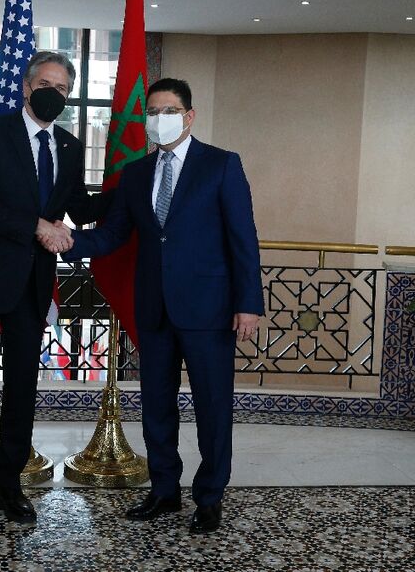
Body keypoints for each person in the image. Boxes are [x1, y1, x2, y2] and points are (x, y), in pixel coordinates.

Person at [59, 78, 264, 534]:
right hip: (153, 308)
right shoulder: (136, 174)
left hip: (210, 309)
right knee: (156, 405)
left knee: (213, 406)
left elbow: (243, 239)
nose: (157, 119)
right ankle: (164, 490)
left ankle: (209, 496)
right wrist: (68, 241)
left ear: (189, 116)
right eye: (151, 111)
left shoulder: (222, 165)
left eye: (167, 110)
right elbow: (113, 234)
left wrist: (248, 303)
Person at [0, 51, 112, 530]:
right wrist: (36, 225)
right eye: (48, 84)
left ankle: (8, 485)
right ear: (28, 87)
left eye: (65, 89)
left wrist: (136, 180)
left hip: (32, 287)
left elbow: (80, 209)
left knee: (21, 393)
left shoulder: (70, 148)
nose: (56, 93)